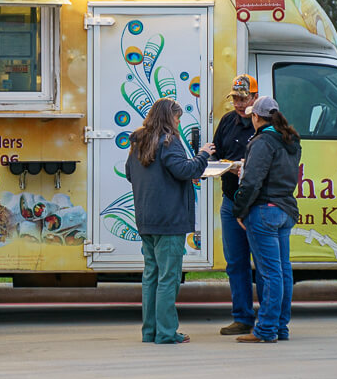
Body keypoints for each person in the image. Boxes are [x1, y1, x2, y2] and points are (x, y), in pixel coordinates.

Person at [125, 97, 211, 345]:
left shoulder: (138, 142)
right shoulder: (169, 142)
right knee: (168, 278)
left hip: (146, 218)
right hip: (170, 219)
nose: (178, 122)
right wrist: (203, 155)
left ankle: (149, 331)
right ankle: (166, 332)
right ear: (168, 118)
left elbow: (131, 174)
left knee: (151, 275)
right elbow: (184, 170)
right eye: (177, 117)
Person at [232, 96, 302, 344]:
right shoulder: (290, 140)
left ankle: (266, 329)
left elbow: (252, 182)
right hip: (284, 210)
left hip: (263, 211)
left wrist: (239, 210)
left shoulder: (262, 142)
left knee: (270, 274)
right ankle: (281, 327)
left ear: (256, 117)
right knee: (283, 272)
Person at [210, 74, 264, 336]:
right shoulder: (227, 122)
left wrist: (243, 167)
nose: (240, 104)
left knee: (264, 264)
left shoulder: (263, 125)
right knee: (235, 263)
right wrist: (219, 163)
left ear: (255, 97)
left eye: (244, 99)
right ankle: (242, 317)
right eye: (235, 99)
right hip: (231, 201)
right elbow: (218, 153)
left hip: (258, 204)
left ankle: (267, 319)